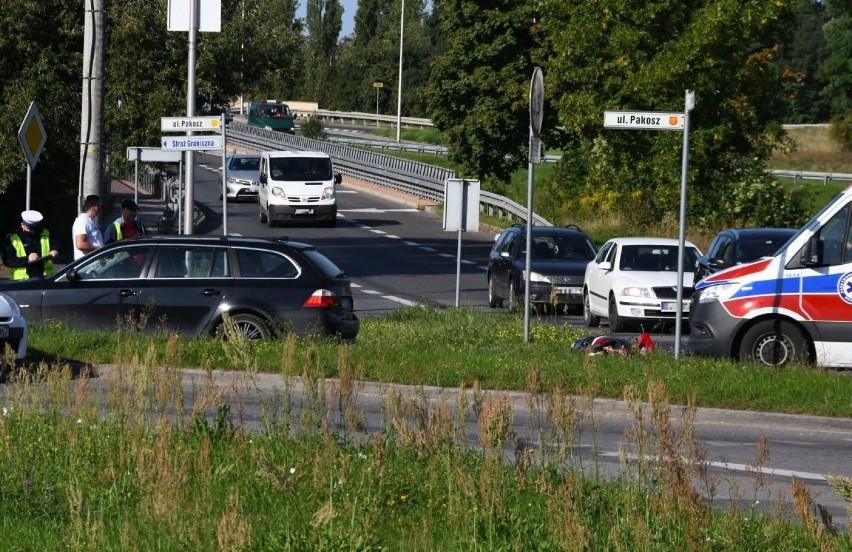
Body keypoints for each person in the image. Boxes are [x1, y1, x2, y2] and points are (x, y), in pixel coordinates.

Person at [2, 210, 60, 280]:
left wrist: (55, 250)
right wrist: (27, 260)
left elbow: (56, 244)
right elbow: (8, 260)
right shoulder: (13, 239)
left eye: (36, 228)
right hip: (22, 282)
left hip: (46, 279)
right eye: (30, 228)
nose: (33, 231)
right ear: (22, 225)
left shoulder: (45, 233)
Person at [72, 194, 104, 260]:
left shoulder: (91, 221)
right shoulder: (82, 221)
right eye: (96, 205)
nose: (99, 208)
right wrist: (97, 248)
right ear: (90, 206)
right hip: (86, 267)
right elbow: (80, 244)